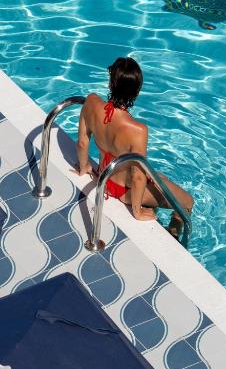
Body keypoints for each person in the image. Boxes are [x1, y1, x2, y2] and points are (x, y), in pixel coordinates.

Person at [73, 56, 193, 239]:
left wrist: (84, 167)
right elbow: (138, 176)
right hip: (124, 192)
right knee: (186, 202)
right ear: (136, 92)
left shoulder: (91, 102)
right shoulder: (138, 130)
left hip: (104, 179)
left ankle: (157, 212)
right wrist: (137, 211)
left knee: (162, 178)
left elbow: (82, 142)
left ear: (111, 83)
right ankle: (174, 235)